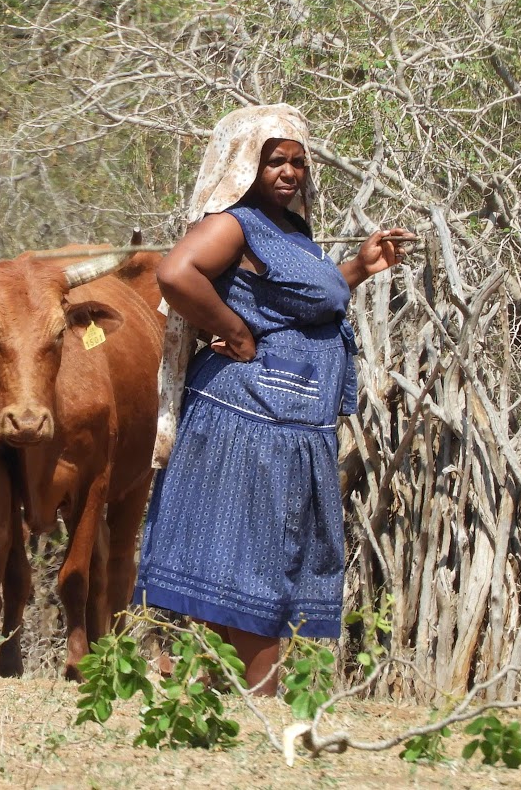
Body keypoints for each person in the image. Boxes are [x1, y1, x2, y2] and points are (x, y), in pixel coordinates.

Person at [132, 104, 413, 694]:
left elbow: (295, 301)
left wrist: (360, 266)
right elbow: (177, 272)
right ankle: (261, 700)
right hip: (250, 414)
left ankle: (218, 693)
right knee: (253, 555)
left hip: (287, 417)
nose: (289, 172)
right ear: (244, 165)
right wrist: (233, 332)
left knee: (262, 553)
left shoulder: (291, 231)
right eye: (274, 161)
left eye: (297, 162)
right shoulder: (234, 222)